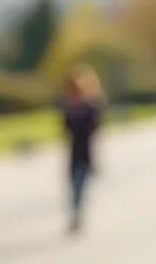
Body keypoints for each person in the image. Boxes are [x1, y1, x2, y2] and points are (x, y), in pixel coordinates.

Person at [60, 63, 103, 234]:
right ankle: (76, 212)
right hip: (73, 153)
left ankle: (78, 214)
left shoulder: (89, 109)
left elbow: (95, 135)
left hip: (85, 153)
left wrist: (96, 159)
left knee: (80, 185)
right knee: (73, 186)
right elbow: (66, 133)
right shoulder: (69, 109)